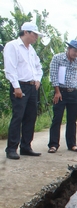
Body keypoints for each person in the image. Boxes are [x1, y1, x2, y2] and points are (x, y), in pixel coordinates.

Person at [3, 22, 43, 160]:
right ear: (26, 32)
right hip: (20, 86)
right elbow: (10, 67)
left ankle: (26, 146)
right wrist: (16, 86)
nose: (36, 37)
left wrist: (38, 79)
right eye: (35, 34)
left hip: (32, 87)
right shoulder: (12, 46)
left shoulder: (31, 50)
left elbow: (38, 67)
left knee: (31, 117)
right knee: (18, 116)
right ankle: (11, 148)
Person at [48, 40, 77, 153]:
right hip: (61, 92)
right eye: (74, 51)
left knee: (72, 120)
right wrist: (57, 91)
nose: (76, 54)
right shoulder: (58, 58)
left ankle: (72, 144)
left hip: (73, 92)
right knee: (57, 119)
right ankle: (53, 144)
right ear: (69, 49)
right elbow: (53, 74)